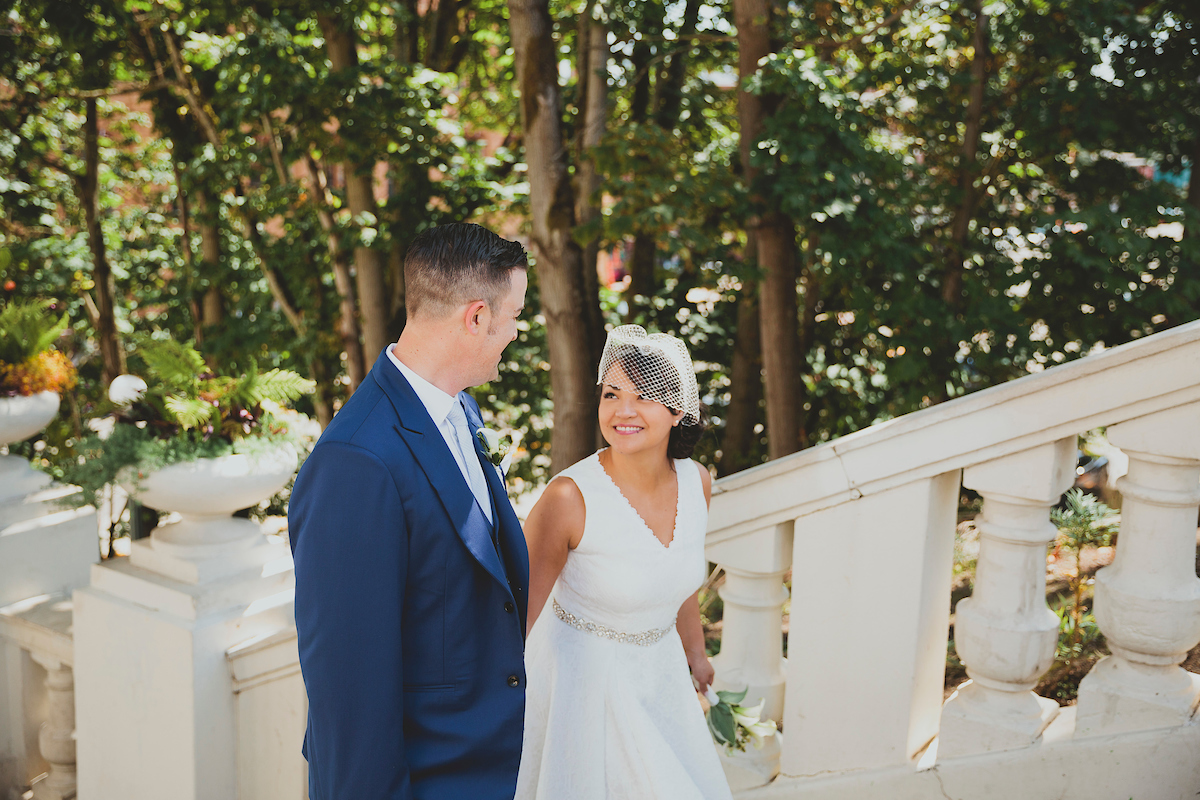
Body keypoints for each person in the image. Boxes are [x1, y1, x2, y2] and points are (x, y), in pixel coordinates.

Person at [289, 223, 531, 799]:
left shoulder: (459, 410)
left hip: (497, 767)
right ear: (476, 317)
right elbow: (348, 690)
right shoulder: (356, 463)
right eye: (515, 315)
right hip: (431, 782)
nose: (517, 333)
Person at [516, 325, 734, 800]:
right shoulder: (569, 497)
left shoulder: (698, 483)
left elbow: (675, 582)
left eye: (646, 395)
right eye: (612, 394)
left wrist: (696, 655)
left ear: (678, 410)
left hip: (662, 683)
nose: (624, 411)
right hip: (582, 692)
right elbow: (513, 617)